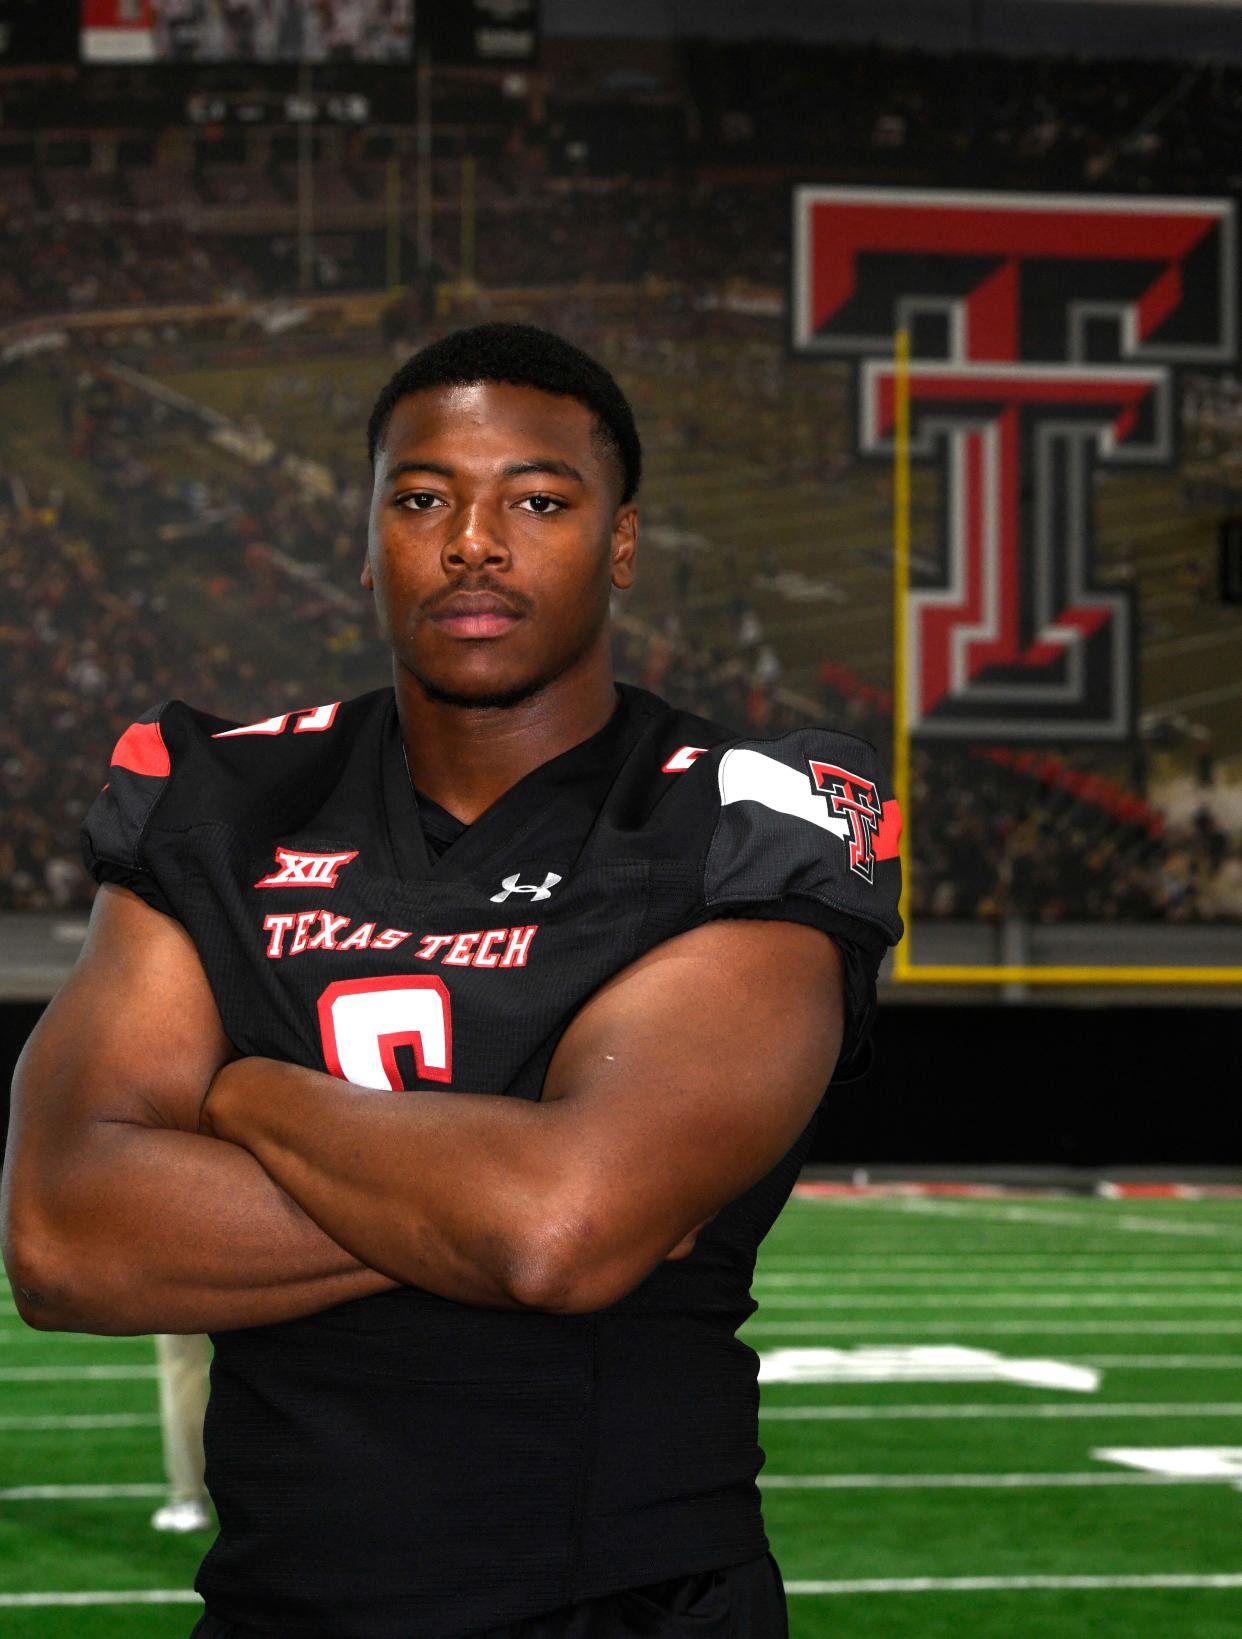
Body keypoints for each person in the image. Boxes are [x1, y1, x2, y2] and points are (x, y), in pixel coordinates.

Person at [3, 323, 902, 1638]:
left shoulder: (739, 812)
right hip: (276, 1607)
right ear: (362, 538)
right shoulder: (223, 796)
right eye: (422, 500)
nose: (473, 539)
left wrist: (250, 1094)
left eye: (537, 500)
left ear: (622, 543)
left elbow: (563, 1227)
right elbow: (66, 1237)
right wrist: (512, 1184)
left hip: (627, 1604)